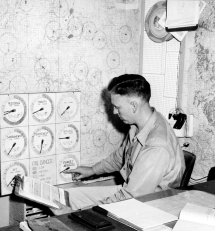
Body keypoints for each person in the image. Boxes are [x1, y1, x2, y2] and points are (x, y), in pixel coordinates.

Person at [52, 74, 186, 215]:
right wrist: (92, 170)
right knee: (67, 196)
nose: (115, 112)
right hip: (134, 192)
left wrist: (78, 214)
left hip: (150, 206)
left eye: (117, 107)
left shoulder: (157, 145)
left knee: (72, 214)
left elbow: (131, 197)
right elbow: (121, 156)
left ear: (133, 106)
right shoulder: (140, 125)